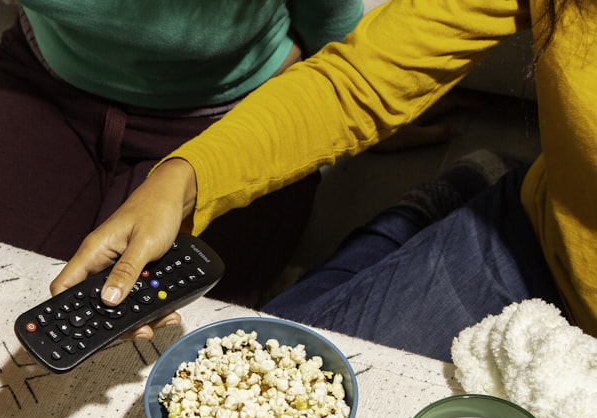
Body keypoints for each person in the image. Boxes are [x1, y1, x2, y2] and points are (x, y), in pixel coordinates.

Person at [55, 0, 594, 361]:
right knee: (256, 371)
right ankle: (445, 204)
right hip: (539, 241)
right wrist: (183, 177)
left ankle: (443, 204)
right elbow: (359, 78)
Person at [0, 1, 372, 308]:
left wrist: (352, 109)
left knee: (160, 347)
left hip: (231, 111)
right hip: (44, 82)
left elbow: (334, 27)